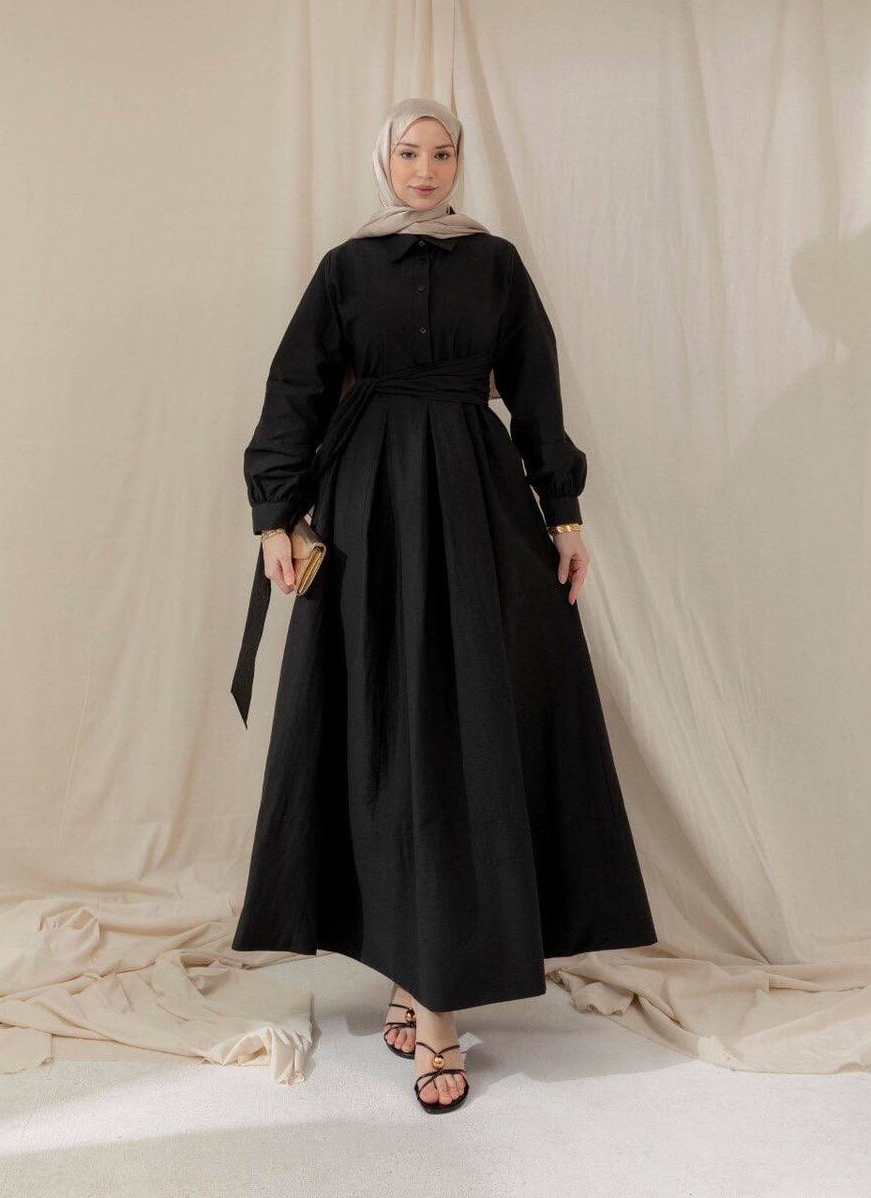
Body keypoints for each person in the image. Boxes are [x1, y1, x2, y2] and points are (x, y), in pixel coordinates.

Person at [229, 97, 658, 1113]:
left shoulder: (495, 264)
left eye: (442, 153)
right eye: (409, 152)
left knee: (462, 730)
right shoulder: (345, 268)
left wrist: (562, 512)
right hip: (368, 513)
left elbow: (537, 390)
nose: (425, 169)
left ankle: (431, 994)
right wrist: (275, 514)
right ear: (383, 161)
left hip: (474, 508)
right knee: (385, 732)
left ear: (460, 162)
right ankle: (419, 981)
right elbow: (294, 390)